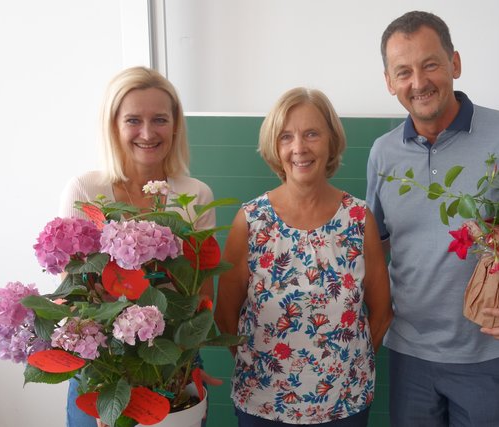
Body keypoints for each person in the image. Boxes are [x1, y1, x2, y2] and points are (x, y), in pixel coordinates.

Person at [365, 11, 499, 427]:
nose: (418, 82)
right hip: (408, 357)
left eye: (430, 64)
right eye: (403, 72)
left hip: (489, 355)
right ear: (389, 82)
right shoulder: (382, 154)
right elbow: (375, 246)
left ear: (455, 63)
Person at [215, 87, 393, 426]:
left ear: (331, 141)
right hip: (262, 406)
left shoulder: (358, 218)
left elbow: (382, 314)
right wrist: (267, 373)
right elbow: (225, 319)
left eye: (311, 133)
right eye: (286, 137)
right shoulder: (251, 221)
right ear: (274, 146)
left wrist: (344, 368)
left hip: (344, 406)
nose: (299, 148)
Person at [60, 66, 218, 427]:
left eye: (160, 119)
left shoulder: (196, 195)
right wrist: (106, 393)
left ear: (175, 125)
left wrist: (188, 368)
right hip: (102, 373)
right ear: (113, 125)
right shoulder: (85, 191)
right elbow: (74, 294)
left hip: (173, 365)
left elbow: (202, 296)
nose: (148, 133)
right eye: (133, 119)